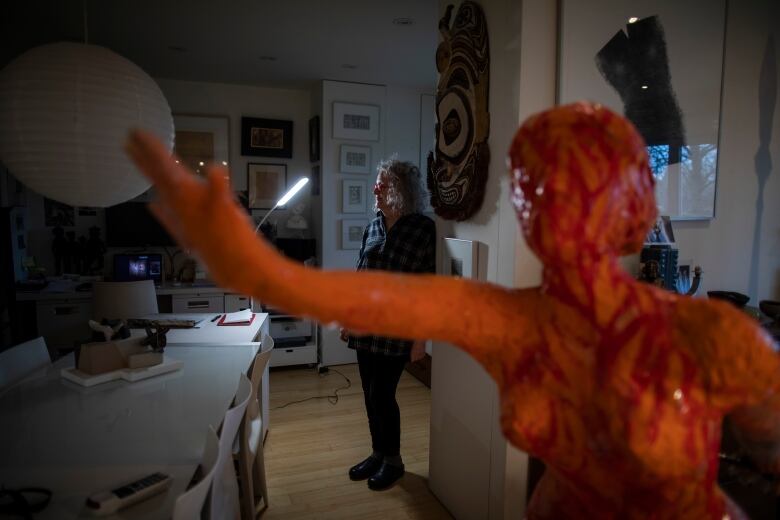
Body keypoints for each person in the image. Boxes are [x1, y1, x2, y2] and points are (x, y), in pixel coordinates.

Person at [125, 102, 780, 518]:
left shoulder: (713, 335)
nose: (553, 202)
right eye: (534, 184)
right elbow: (362, 294)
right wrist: (251, 267)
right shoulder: (510, 318)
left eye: (584, 183)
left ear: (634, 208)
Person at [338, 159, 435, 490]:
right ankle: (377, 453)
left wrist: (420, 338)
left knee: (382, 394)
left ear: (403, 190)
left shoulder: (423, 229)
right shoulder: (373, 226)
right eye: (376, 185)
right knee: (368, 393)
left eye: (385, 185)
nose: (376, 191)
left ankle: (393, 460)